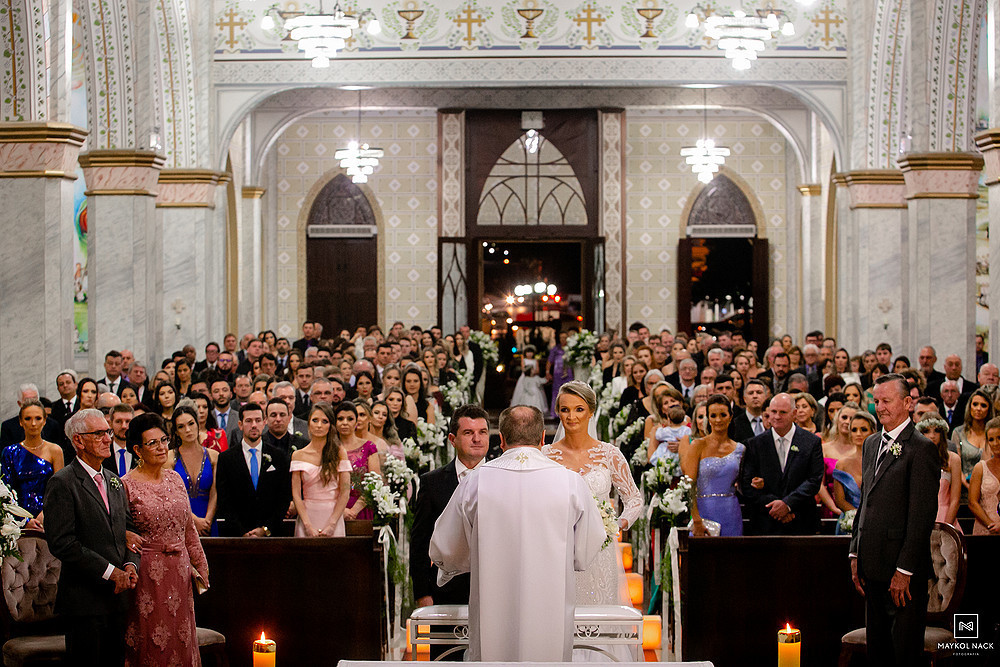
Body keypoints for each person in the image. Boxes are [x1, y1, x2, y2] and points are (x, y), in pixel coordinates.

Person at [429, 405, 606, 662]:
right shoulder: (570, 482)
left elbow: (446, 547)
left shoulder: (475, 481)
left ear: (500, 440)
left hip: (493, 602)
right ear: (543, 438)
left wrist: (469, 561)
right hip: (550, 603)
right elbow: (589, 546)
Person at [849, 374, 939, 666]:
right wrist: (855, 552)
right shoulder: (871, 443)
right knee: (878, 653)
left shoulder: (921, 448)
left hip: (903, 572)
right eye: (876, 401)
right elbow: (866, 501)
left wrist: (904, 570)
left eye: (886, 401)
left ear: (908, 402)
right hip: (871, 566)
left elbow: (922, 516)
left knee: (903, 654)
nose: (880, 407)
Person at [543, 381, 642, 638]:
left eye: (579, 409)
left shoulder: (609, 454)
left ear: (591, 412)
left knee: (599, 615)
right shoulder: (546, 455)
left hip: (600, 551)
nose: (571, 417)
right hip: (559, 548)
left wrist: (616, 525)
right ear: (558, 412)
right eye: (565, 410)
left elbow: (634, 499)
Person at [43, 409, 139, 666]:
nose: (108, 439)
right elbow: (62, 543)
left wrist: (130, 565)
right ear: (78, 440)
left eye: (108, 432)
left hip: (118, 599)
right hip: (84, 602)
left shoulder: (114, 480)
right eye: (98, 434)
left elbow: (129, 531)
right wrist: (110, 572)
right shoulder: (62, 482)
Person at [122, 412, 208, 666]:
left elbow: (188, 528)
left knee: (181, 639)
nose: (161, 447)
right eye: (153, 443)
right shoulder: (126, 485)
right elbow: (120, 531)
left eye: (164, 440)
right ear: (138, 450)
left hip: (180, 571)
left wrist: (200, 565)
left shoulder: (175, 478)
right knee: (151, 639)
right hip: (147, 573)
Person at [411, 404, 490, 614]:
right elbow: (420, 543)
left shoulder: (504, 479)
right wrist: (422, 593)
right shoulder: (431, 483)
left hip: (493, 590)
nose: (477, 439)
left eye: (482, 432)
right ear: (452, 439)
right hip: (445, 592)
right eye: (468, 433)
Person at [740, 393, 825, 535]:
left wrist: (788, 504)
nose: (777, 416)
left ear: (794, 414)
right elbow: (747, 484)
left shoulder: (811, 442)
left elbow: (814, 480)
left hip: (801, 521)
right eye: (773, 412)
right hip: (765, 523)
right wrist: (777, 506)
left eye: (783, 412)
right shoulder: (754, 444)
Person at [215, 403, 292, 537]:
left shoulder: (278, 456)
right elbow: (224, 500)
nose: (254, 425)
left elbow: (283, 498)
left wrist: (266, 529)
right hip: (237, 536)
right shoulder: (226, 458)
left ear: (264, 423)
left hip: (272, 535)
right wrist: (242, 532)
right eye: (249, 421)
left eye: (258, 420)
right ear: (240, 425)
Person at [681, 395, 745, 536]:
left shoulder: (740, 449)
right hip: (703, 512)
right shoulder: (697, 445)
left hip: (731, 512)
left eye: (723, 415)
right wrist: (696, 519)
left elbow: (743, 483)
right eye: (713, 415)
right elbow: (688, 485)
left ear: (730, 417)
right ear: (708, 419)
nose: (718, 420)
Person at [291, 403, 352, 537]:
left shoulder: (339, 453)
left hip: (333, 516)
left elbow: (345, 492)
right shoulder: (298, 455)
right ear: (308, 423)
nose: (319, 425)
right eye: (315, 420)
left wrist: (332, 524)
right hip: (307, 517)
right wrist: (307, 525)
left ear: (331, 426)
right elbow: (296, 494)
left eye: (324, 421)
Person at [1, 399, 64, 528]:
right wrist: (24, 520)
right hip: (17, 521)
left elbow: (59, 490)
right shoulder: (10, 452)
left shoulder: (55, 451)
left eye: (38, 418)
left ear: (44, 421)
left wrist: (45, 513)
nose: (33, 423)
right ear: (20, 421)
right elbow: (6, 491)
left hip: (49, 518)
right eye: (28, 419)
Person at [170, 406, 219, 537]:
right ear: (176, 432)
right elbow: (172, 496)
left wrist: (207, 520)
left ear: (198, 424)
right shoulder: (169, 458)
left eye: (191, 424)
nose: (187, 430)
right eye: (181, 427)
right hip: (180, 522)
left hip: (208, 521)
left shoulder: (214, 456)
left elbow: (215, 492)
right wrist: (195, 521)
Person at [915, 413, 963, 532]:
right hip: (920, 518)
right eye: (927, 431)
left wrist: (946, 528)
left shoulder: (953, 459)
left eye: (936, 431)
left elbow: (955, 500)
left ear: (942, 433)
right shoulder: (914, 459)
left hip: (946, 517)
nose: (932, 435)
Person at [339, 401, 381, 521]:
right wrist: (340, 510)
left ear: (356, 422)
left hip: (361, 508)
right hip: (333, 508)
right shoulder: (329, 448)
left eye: (350, 419)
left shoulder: (369, 447)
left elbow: (374, 482)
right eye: (340, 419)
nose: (345, 423)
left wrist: (354, 510)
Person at [833, 412, 876, 520]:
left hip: (875, 519)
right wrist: (857, 517)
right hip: (849, 521)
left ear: (873, 432)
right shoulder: (842, 464)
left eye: (864, 429)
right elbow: (839, 501)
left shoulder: (880, 461)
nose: (858, 434)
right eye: (854, 430)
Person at [951, 388, 994, 494]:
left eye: (983, 405)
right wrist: (970, 487)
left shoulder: (994, 434)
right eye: (975, 404)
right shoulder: (958, 433)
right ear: (969, 406)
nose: (978, 408)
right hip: (964, 490)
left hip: (990, 489)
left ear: (989, 409)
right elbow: (955, 466)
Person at [968, 416, 1000, 535]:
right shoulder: (980, 468)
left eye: (999, 438)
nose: (995, 443)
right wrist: (992, 525)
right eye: (991, 439)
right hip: (985, 529)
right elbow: (972, 503)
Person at [511, 347, 548, 413]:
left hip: (533, 377)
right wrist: (528, 372)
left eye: (531, 352)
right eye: (528, 352)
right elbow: (523, 369)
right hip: (525, 376)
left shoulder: (535, 361)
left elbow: (538, 370)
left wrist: (534, 373)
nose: (529, 354)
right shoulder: (524, 360)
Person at [547, 330, 574, 418]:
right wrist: (547, 372)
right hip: (557, 374)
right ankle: (556, 413)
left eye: (565, 338)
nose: (563, 339)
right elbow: (549, 361)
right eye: (561, 338)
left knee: (568, 392)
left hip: (568, 373)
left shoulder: (571, 348)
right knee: (557, 392)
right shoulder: (555, 349)